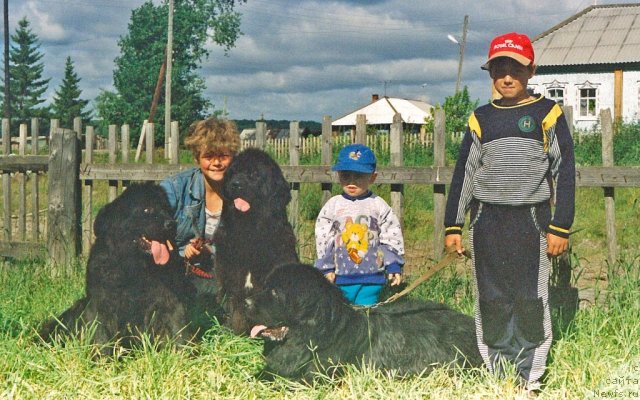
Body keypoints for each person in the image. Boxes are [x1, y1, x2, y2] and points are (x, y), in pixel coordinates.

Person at [444, 32, 575, 392]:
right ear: (490, 73)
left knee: (529, 299)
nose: (506, 76)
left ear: (531, 70)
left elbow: (564, 172)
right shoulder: (480, 118)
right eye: (499, 68)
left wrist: (560, 226)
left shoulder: (547, 113)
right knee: (492, 299)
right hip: (486, 222)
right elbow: (465, 174)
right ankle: (499, 377)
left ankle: (528, 379)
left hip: (530, 221)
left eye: (515, 68)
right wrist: (453, 225)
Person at [315, 143, 405, 306]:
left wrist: (393, 265)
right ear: (338, 175)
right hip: (340, 277)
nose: (351, 182)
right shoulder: (333, 206)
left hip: (372, 278)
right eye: (345, 176)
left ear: (372, 177)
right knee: (343, 316)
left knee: (366, 315)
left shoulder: (378, 205)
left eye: (359, 176)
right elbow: (324, 239)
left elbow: (391, 236)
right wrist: (326, 268)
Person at [160, 117, 241, 291]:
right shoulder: (174, 188)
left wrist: (210, 252)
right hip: (178, 272)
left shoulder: (243, 195)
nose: (216, 163)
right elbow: (150, 228)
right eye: (209, 156)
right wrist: (181, 251)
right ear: (197, 158)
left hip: (224, 274)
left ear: (233, 157)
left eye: (223, 156)